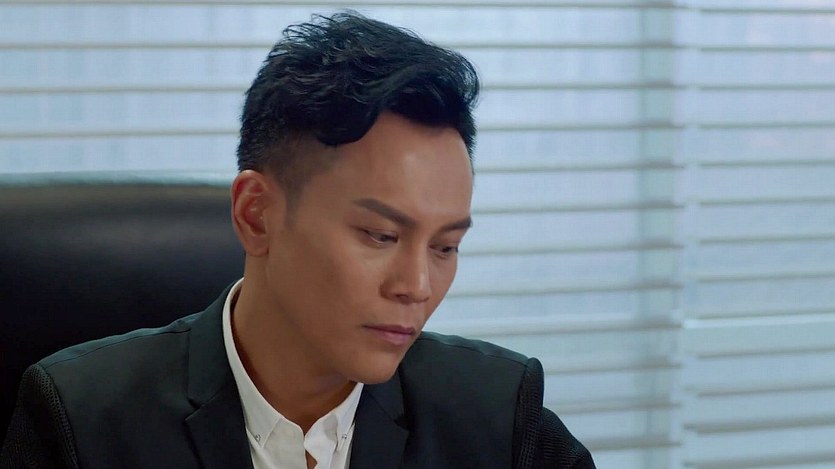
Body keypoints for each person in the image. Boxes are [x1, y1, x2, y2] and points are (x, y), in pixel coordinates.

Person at [1, 12, 594, 469]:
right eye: (381, 235)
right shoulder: (80, 422)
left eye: (445, 247)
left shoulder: (497, 418)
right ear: (256, 215)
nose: (416, 287)